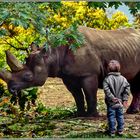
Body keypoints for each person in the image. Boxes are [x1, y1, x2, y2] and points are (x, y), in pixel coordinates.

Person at [103, 60, 130, 137]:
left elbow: (106, 90)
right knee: (120, 116)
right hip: (120, 102)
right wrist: (125, 99)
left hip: (111, 103)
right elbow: (127, 89)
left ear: (108, 69)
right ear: (119, 68)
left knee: (111, 116)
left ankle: (112, 131)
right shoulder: (123, 79)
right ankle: (120, 130)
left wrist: (112, 98)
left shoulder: (107, 79)